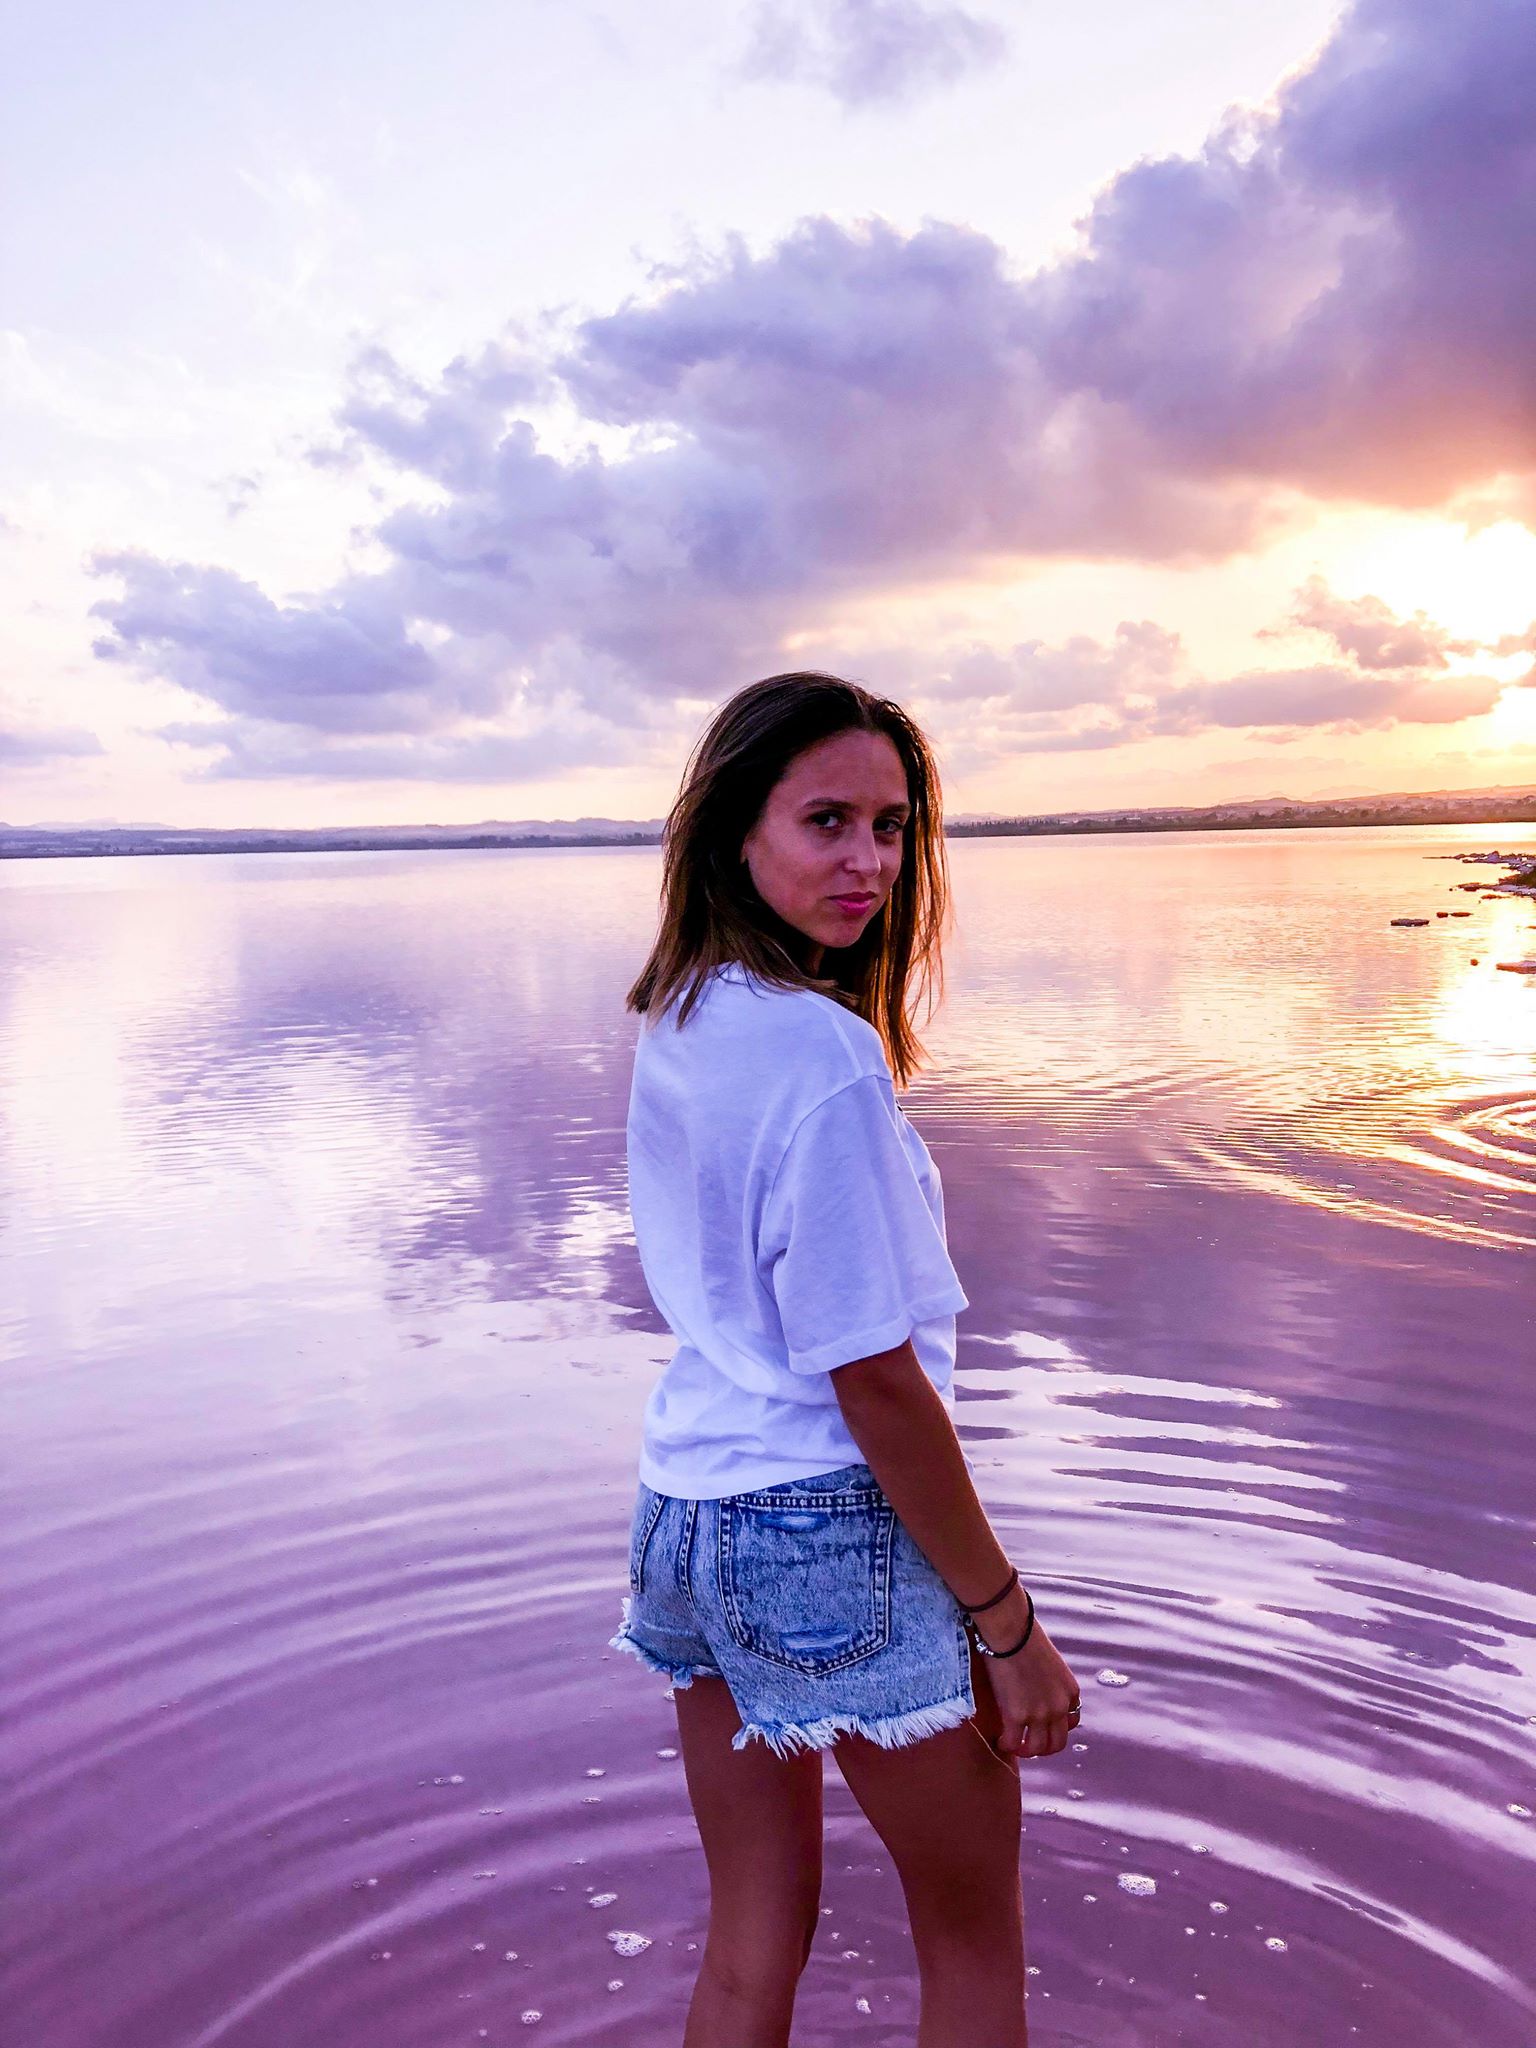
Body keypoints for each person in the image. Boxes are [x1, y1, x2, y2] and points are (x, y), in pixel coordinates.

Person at [611, 671, 1080, 2048]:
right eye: (827, 819)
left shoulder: (683, 1011)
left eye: (891, 825)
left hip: (688, 1511)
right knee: (972, 1932)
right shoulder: (821, 1054)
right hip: (828, 1526)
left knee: (754, 1935)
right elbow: (871, 1377)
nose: (869, 861)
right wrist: (1010, 1626)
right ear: (732, 834)